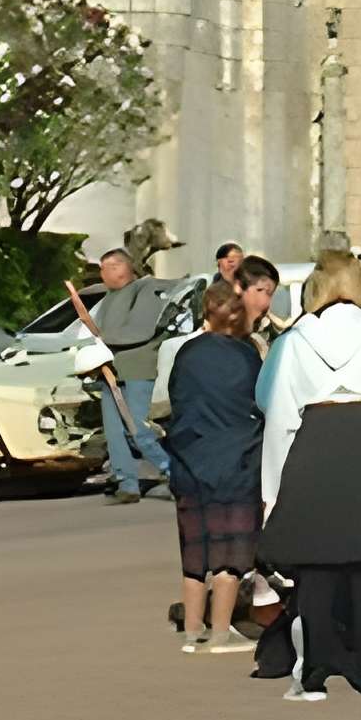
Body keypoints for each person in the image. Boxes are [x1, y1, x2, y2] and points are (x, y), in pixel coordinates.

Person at [258, 251, 361, 702]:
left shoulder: (296, 340)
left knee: (315, 567)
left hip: (313, 448)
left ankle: (312, 674)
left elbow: (281, 418)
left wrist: (271, 490)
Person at [165, 282, 266, 654]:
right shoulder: (246, 356)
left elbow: (175, 400)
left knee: (195, 555)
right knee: (230, 556)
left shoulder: (186, 354)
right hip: (237, 461)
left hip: (190, 459)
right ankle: (221, 632)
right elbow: (262, 402)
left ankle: (192, 632)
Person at [86, 238, 182, 503]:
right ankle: (126, 484)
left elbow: (140, 330)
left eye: (108, 267)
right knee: (115, 432)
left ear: (122, 267)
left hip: (138, 370)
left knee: (138, 430)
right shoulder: (108, 298)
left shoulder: (145, 289)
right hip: (110, 372)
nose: (103, 273)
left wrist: (103, 338)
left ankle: (175, 473)